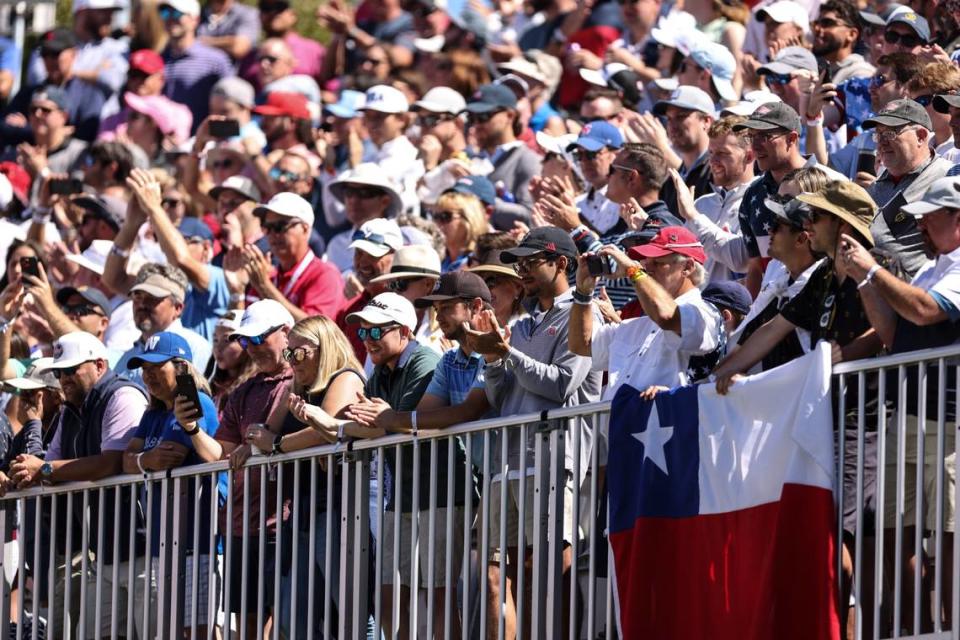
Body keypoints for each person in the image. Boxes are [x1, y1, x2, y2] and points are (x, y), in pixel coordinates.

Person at [464, 226, 601, 639]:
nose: (520, 269)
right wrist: (492, 358)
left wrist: (508, 353)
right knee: (512, 572)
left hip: (552, 457)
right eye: (517, 262)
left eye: (529, 261)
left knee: (550, 569)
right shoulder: (522, 326)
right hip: (509, 460)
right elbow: (501, 397)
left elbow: (561, 384)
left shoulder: (580, 313)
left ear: (561, 263)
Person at [841, 176, 960, 631]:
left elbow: (925, 312)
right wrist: (862, 278)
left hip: (948, 422)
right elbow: (893, 332)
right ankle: (915, 631)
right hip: (909, 414)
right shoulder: (933, 268)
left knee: (948, 535)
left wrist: (872, 270)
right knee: (896, 536)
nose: (921, 227)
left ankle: (949, 629)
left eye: (930, 217)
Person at [9, 331, 149, 638]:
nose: (64, 378)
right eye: (59, 373)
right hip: (105, 549)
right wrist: (28, 472)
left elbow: (109, 462)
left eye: (72, 370)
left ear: (100, 365)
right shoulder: (70, 411)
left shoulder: (121, 395)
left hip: (143, 545)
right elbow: (49, 465)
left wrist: (42, 468)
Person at [177, 298, 295, 638]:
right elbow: (220, 454)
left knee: (281, 623)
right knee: (246, 624)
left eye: (259, 339)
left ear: (286, 333)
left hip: (282, 524)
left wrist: (256, 443)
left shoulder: (300, 380)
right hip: (242, 527)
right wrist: (192, 428)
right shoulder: (243, 391)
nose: (251, 348)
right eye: (246, 341)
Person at [243, 315, 365, 637]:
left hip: (336, 506)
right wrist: (251, 447)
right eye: (289, 353)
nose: (292, 361)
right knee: (288, 616)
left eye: (300, 353)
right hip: (303, 509)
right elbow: (266, 432)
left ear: (324, 349)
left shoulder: (345, 377)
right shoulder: (296, 385)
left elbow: (325, 431)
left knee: (350, 609)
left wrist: (278, 445)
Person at [345, 292, 443, 638]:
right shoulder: (381, 370)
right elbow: (369, 420)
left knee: (437, 594)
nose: (367, 340)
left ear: (404, 331)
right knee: (390, 590)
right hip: (399, 493)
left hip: (437, 490)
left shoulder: (424, 359)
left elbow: (398, 420)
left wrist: (380, 419)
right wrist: (372, 421)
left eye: (376, 332)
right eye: (363, 333)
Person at [120, 331, 221, 637]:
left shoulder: (196, 401)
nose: (148, 375)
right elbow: (127, 459)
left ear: (180, 367)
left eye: (156, 367)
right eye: (144, 369)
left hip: (197, 536)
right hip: (167, 538)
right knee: (176, 627)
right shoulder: (154, 413)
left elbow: (170, 457)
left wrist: (143, 459)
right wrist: (144, 460)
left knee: (198, 628)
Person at [569, 225, 723, 399]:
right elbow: (581, 344)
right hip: (624, 424)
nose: (647, 269)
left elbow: (667, 316)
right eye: (645, 263)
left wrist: (633, 270)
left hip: (670, 424)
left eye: (657, 263)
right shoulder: (638, 324)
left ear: (687, 267)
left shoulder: (705, 312)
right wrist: (583, 293)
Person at [126, 168, 230, 340]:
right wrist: (130, 225)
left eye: (185, 240)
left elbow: (181, 259)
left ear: (206, 248)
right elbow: (113, 280)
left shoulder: (219, 277)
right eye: (173, 238)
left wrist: (153, 207)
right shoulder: (168, 280)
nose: (172, 245)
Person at [864, 99, 952, 278]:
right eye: (878, 135)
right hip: (868, 289)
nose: (881, 142)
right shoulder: (875, 186)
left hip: (916, 293)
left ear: (920, 136)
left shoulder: (948, 176)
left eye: (890, 133)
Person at [733, 102, 808, 296]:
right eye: (752, 136)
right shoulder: (751, 196)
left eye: (765, 136)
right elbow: (756, 266)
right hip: (771, 306)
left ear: (791, 139)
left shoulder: (828, 183)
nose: (755, 146)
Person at [231, 192, 345, 319]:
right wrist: (237, 292)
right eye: (267, 227)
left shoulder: (325, 274)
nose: (273, 234)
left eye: (280, 226)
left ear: (305, 229)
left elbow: (315, 332)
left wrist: (264, 287)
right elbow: (243, 327)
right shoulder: (270, 275)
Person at [677, 115, 757, 283]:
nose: (712, 161)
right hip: (697, 304)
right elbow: (679, 255)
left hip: (734, 308)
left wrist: (693, 217)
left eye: (722, 153)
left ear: (749, 157)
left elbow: (742, 259)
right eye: (711, 153)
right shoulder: (703, 203)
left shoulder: (760, 200)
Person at [110, 264, 213, 385]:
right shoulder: (128, 358)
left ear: (178, 308)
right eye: (138, 296)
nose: (142, 304)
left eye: (153, 298)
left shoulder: (195, 349)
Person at [465, 83, 542, 229]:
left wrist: (481, 200)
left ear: (510, 115)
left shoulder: (526, 159)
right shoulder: (469, 158)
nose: (476, 124)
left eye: (483, 116)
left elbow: (531, 216)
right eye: (471, 118)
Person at [160, 0, 235, 130]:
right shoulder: (159, 59)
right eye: (165, 13)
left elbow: (230, 105)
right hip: (163, 145)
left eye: (177, 14)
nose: (171, 18)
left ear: (195, 20)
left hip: (202, 143)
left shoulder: (216, 60)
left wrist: (218, 141)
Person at [358, 84, 424, 213]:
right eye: (368, 116)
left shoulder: (407, 155)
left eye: (379, 117)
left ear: (402, 119)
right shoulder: (371, 153)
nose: (371, 124)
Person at [812, 0, 875, 84]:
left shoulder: (861, 74)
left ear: (851, 34)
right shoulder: (815, 71)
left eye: (827, 23)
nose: (817, 28)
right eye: (816, 23)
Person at [430, 188, 489, 272]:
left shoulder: (479, 262)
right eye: (435, 216)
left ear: (469, 220)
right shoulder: (437, 260)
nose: (438, 223)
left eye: (445, 216)